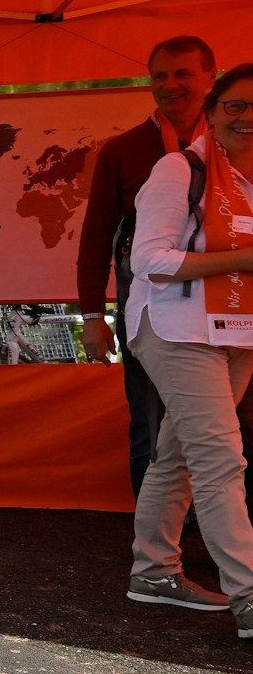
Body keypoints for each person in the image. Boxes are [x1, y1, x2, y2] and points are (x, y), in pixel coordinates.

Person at [126, 63, 253, 639]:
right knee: (219, 459)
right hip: (177, 330)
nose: (248, 118)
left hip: (239, 332)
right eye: (236, 106)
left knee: (179, 456)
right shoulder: (179, 169)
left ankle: (153, 572)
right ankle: (249, 595)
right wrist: (243, 260)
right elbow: (148, 261)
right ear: (213, 111)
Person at [79, 36, 219, 501]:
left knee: (235, 423)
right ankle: (155, 548)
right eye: (160, 75)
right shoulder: (123, 150)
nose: (170, 85)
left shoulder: (231, 146)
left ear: (210, 79)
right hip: (149, 311)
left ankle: (232, 540)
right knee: (150, 424)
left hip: (227, 305)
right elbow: (96, 238)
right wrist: (94, 318)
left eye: (183, 74)